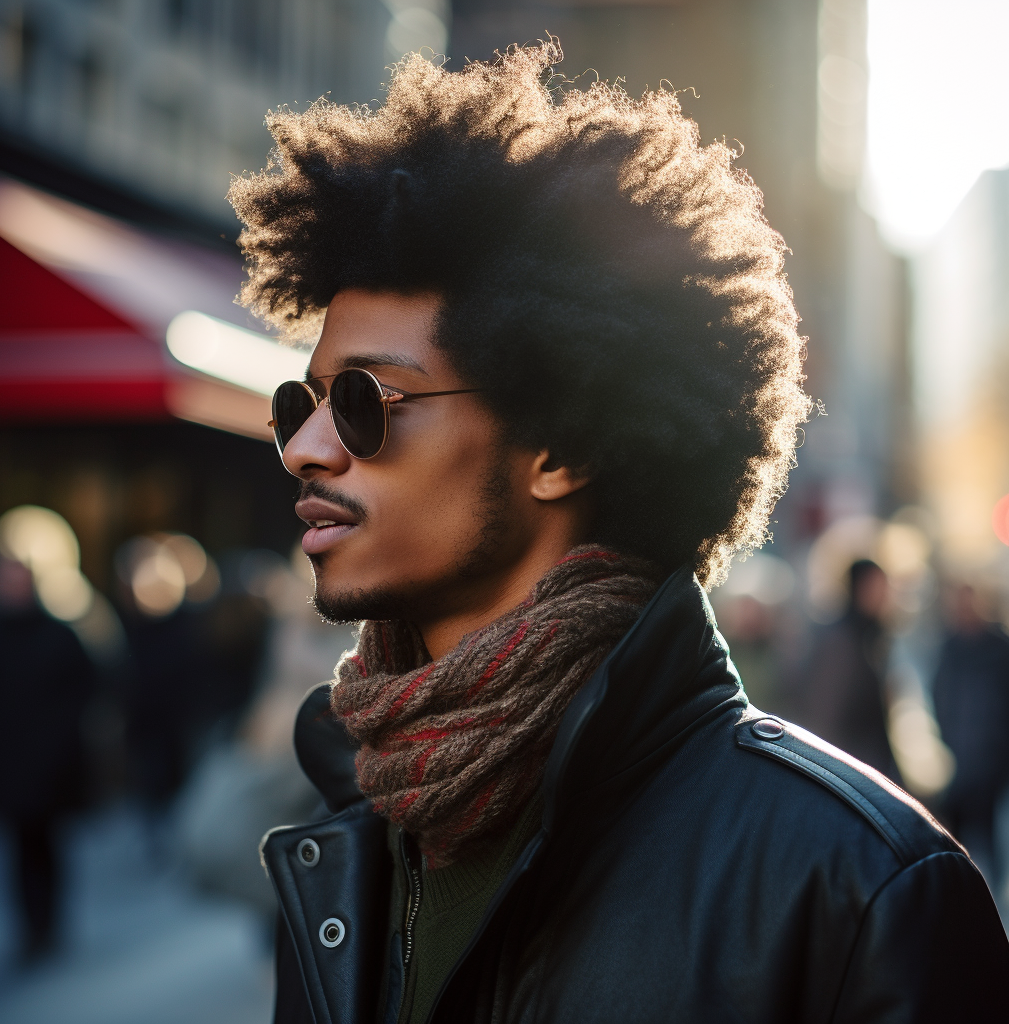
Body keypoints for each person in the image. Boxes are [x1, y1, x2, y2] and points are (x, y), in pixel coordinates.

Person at [227, 43, 1008, 1024]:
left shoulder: (859, 887)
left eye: (361, 401)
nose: (304, 446)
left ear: (562, 443)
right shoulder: (353, 822)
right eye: (297, 401)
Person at [0, 551, 94, 962]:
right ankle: (29, 928)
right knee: (16, 851)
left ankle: (49, 925)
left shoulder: (58, 636)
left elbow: (85, 690)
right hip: (7, 766)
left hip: (50, 766)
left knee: (46, 848)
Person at [933, 583, 1009, 886]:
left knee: (991, 842)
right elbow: (938, 697)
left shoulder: (999, 648)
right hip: (958, 763)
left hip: (994, 764)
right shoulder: (948, 648)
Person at [799, 558, 899, 778]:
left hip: (866, 768)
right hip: (853, 771)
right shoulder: (842, 642)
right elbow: (828, 716)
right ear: (859, 588)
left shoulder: (870, 637)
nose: (885, 596)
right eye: (878, 587)